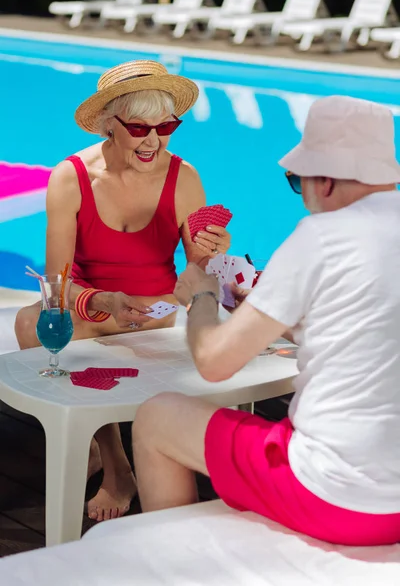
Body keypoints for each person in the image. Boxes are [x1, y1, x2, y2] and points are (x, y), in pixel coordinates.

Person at [131, 95, 400, 546]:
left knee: (157, 416)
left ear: (326, 179)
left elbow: (214, 363)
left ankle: (176, 567)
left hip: (337, 497)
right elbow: (362, 325)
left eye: (298, 182)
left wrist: (202, 297)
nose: (304, 197)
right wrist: (259, 310)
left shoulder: (323, 235)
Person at [14, 60, 231, 522]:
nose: (154, 140)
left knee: (78, 352)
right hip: (94, 311)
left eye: (166, 126)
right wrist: (102, 303)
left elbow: (197, 274)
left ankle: (96, 447)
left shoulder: (184, 177)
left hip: (157, 314)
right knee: (33, 322)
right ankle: (117, 464)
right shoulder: (70, 178)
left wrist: (213, 252)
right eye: (139, 128)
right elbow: (59, 283)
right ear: (110, 125)